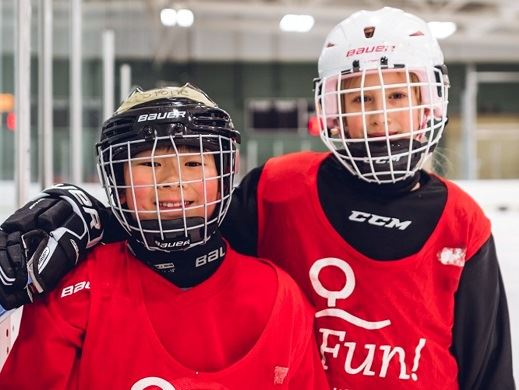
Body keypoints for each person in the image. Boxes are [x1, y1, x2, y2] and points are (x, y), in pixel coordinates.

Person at [0, 7, 515, 389]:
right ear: (332, 108)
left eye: (398, 94)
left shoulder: (462, 223)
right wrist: (91, 219)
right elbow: (183, 231)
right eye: (359, 97)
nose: (379, 116)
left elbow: (487, 366)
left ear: (430, 101)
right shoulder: (281, 188)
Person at [0, 84, 328, 389]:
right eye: (152, 163)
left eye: (193, 162)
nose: (172, 180)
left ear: (224, 178)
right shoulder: (75, 294)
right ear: (120, 184)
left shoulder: (279, 297)